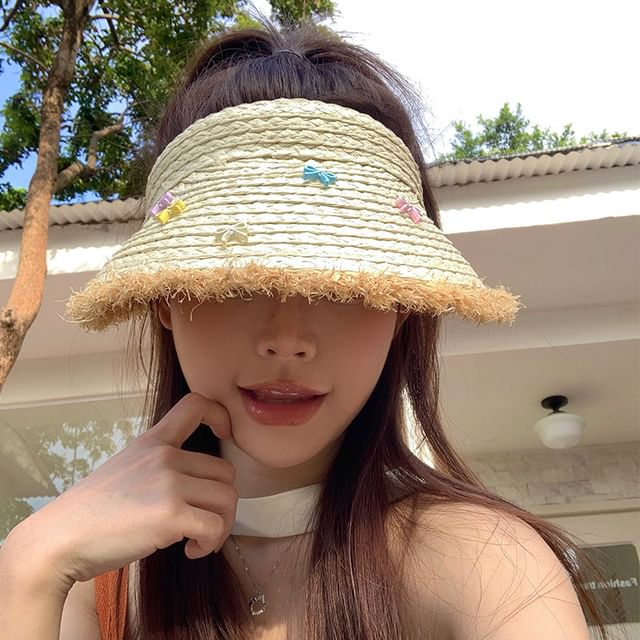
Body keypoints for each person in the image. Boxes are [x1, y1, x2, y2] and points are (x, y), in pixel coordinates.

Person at [0, 18, 607, 640]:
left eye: (342, 283)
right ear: (164, 298)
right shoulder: (86, 580)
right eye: (237, 279)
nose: (287, 339)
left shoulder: (486, 567)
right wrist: (29, 567)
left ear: (402, 305)